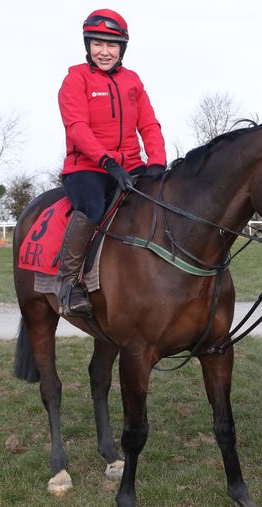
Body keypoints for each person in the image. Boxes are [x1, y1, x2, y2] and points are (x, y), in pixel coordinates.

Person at [56, 8, 167, 316]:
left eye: (112, 45)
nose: (104, 52)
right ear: (87, 45)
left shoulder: (133, 81)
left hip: (131, 165)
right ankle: (68, 284)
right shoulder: (74, 78)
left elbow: (149, 125)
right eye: (97, 44)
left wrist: (157, 162)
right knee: (92, 208)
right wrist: (107, 162)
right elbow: (77, 128)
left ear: (122, 49)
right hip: (87, 168)